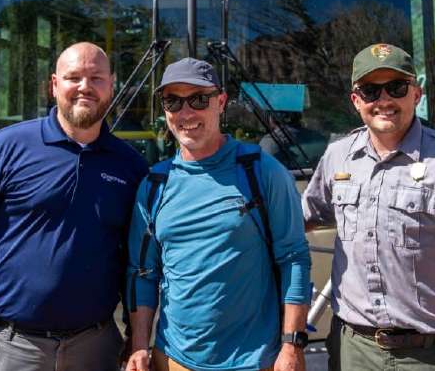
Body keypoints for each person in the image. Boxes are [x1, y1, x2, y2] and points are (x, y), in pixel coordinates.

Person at [302, 44, 435, 371]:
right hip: (353, 352)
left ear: (416, 94)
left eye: (396, 88)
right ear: (356, 100)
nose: (384, 100)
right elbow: (301, 221)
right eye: (371, 90)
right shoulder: (339, 156)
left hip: (433, 355)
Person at [0, 42, 148, 370]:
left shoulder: (130, 166)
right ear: (54, 84)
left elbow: (137, 261)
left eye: (96, 78)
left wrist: (136, 338)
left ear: (111, 85)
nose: (85, 87)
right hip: (11, 347)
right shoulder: (4, 149)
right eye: (73, 77)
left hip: (97, 347)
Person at [126, 58, 312, 371]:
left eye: (199, 99)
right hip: (173, 360)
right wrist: (139, 346)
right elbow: (142, 272)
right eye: (173, 101)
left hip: (255, 361)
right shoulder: (154, 184)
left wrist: (292, 344)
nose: (186, 113)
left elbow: (293, 257)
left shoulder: (261, 171)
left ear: (221, 102)